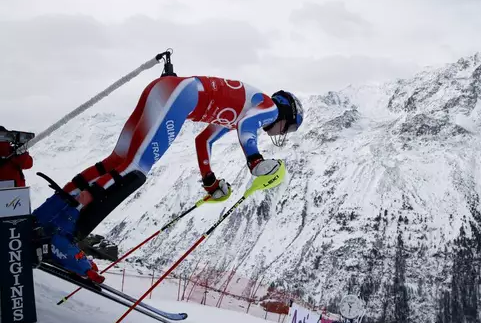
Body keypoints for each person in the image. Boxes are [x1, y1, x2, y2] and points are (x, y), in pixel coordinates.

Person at [32, 75, 304, 282]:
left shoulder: (244, 108)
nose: (282, 132)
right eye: (289, 128)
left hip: (168, 90)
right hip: (182, 98)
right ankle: (61, 235)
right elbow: (247, 127)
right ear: (286, 113)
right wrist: (255, 161)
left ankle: (50, 214)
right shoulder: (269, 108)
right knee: (134, 171)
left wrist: (209, 181)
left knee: (117, 162)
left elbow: (203, 141)